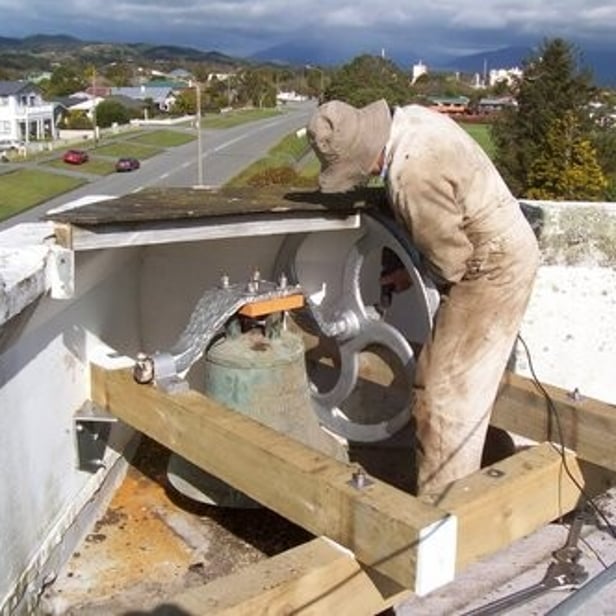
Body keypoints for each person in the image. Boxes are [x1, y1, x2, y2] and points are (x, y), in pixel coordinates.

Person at [306, 99, 539, 498]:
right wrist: (407, 269)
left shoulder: (409, 175)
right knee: (472, 382)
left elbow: (452, 264)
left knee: (442, 397)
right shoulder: (413, 121)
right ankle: (483, 466)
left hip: (492, 267)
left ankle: (444, 507)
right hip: (504, 244)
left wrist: (411, 273)